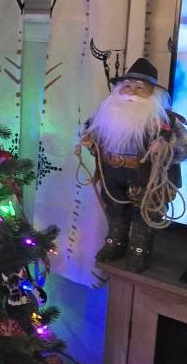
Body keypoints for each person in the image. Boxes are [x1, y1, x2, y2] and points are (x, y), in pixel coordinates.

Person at [80, 58, 187, 271]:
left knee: (145, 213)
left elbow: (183, 147)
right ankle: (116, 243)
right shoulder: (106, 114)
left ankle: (139, 249)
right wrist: (90, 142)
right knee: (115, 210)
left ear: (153, 92)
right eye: (127, 86)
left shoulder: (165, 120)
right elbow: (92, 135)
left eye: (139, 88)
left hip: (145, 176)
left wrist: (165, 148)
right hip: (112, 174)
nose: (131, 92)